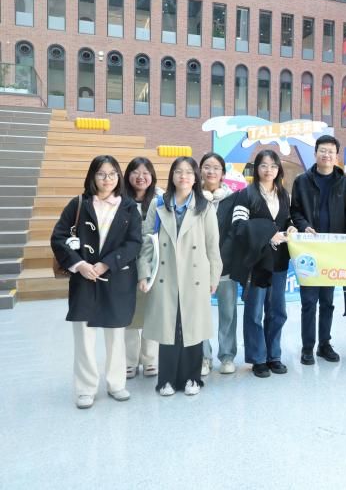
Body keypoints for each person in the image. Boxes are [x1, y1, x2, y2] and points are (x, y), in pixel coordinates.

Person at [52, 155, 142, 409]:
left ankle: (116, 383)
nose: (107, 179)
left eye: (112, 174)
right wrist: (80, 265)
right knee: (84, 336)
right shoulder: (78, 203)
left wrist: (107, 263)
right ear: (92, 176)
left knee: (116, 335)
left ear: (118, 177)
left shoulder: (128, 207)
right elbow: (58, 237)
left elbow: (134, 243)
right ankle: (85, 388)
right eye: (101, 174)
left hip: (117, 278)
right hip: (84, 279)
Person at [137, 157, 222, 396]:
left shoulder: (204, 207)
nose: (183, 176)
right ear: (172, 176)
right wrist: (143, 273)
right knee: (168, 327)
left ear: (196, 178)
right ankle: (166, 379)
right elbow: (146, 242)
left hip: (195, 276)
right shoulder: (158, 205)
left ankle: (192, 378)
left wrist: (214, 277)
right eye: (178, 171)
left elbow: (212, 246)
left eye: (188, 172)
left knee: (191, 328)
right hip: (165, 274)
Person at [230, 150, 297, 378]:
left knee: (278, 311)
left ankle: (273, 356)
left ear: (279, 169)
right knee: (254, 312)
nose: (269, 170)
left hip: (279, 262)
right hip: (256, 262)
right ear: (256, 168)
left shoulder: (284, 195)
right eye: (264, 165)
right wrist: (268, 233)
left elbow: (286, 220)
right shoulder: (245, 194)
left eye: (273, 166)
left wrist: (291, 227)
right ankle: (258, 358)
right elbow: (238, 226)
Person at [290, 135, 346, 365]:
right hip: (309, 249)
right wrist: (303, 225)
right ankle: (307, 347)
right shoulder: (302, 181)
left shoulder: (345, 183)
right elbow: (295, 211)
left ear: (336, 156)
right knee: (309, 301)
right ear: (315, 153)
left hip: (332, 251)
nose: (326, 155)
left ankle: (324, 344)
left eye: (331, 151)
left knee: (327, 301)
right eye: (322, 151)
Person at [198, 152, 238, 375]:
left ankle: (227, 356)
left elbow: (235, 232)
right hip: (198, 266)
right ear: (200, 171)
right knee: (200, 312)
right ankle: (203, 357)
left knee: (228, 313)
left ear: (223, 173)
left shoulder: (233, 199)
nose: (211, 171)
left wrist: (220, 260)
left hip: (226, 265)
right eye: (207, 167)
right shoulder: (194, 198)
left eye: (216, 168)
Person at [122, 157, 161, 379]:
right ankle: (129, 360)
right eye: (135, 172)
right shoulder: (119, 200)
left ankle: (150, 360)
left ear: (152, 176)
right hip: (125, 265)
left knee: (151, 313)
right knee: (128, 315)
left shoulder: (160, 200)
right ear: (128, 175)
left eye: (146, 172)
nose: (140, 177)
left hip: (153, 265)